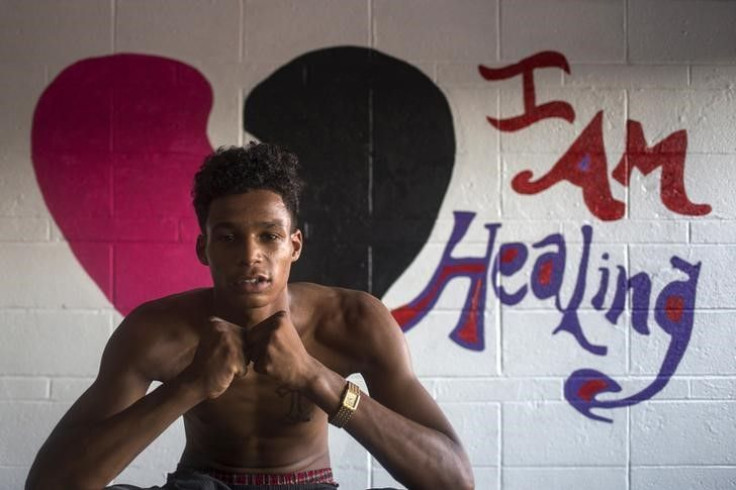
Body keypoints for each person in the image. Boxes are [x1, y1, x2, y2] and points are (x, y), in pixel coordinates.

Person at [25, 143, 474, 490]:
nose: (250, 256)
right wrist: (190, 386)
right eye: (228, 237)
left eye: (269, 236)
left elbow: (453, 480)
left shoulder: (354, 320)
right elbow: (50, 483)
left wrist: (316, 377)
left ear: (294, 246)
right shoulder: (156, 332)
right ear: (204, 248)